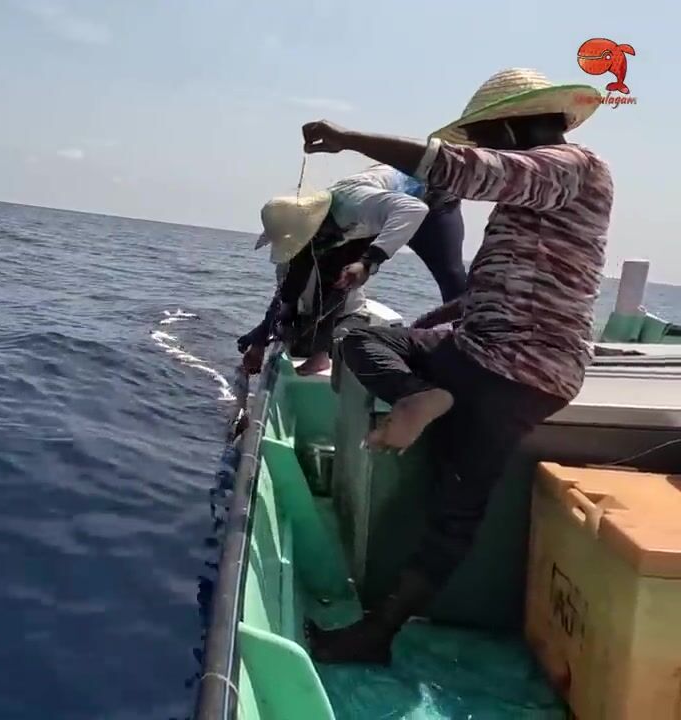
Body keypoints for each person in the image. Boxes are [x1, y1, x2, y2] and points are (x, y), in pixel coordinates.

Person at [298, 67, 612, 664]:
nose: (486, 148)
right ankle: (379, 633)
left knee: (356, 339)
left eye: (488, 136)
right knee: (454, 508)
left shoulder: (572, 167)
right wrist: (432, 321)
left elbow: (459, 169)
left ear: (514, 125)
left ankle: (419, 399)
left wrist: (348, 138)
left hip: (506, 368)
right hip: (520, 371)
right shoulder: (539, 196)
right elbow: (493, 287)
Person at [238, 165, 467, 376]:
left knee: (451, 276)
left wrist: (368, 262)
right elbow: (288, 287)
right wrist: (261, 336)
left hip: (431, 201)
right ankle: (319, 354)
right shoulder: (318, 225)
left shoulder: (351, 205)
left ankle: (468, 350)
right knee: (326, 276)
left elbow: (413, 210)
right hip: (379, 213)